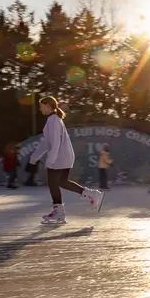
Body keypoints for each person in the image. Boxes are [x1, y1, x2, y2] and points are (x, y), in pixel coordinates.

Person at [28, 96, 104, 224]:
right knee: (62, 182)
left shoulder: (53, 121)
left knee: (53, 184)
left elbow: (55, 143)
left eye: (41, 106)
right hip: (64, 157)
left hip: (59, 158)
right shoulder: (53, 120)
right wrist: (33, 159)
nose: (40, 109)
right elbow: (46, 143)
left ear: (47, 106)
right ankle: (91, 194)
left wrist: (50, 161)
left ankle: (59, 213)